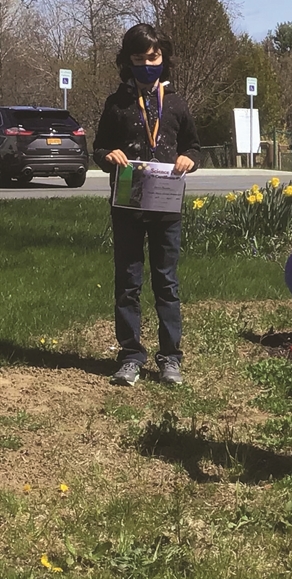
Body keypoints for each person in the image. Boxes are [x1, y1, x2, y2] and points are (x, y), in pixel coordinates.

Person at [93, 24, 200, 387]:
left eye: (152, 58)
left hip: (166, 206)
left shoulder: (176, 104)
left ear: (163, 59)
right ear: (127, 62)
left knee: (166, 280)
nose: (146, 65)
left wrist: (188, 158)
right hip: (126, 206)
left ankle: (170, 357)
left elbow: (194, 146)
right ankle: (130, 355)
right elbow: (98, 148)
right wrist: (109, 154)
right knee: (128, 280)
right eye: (138, 60)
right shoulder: (116, 104)